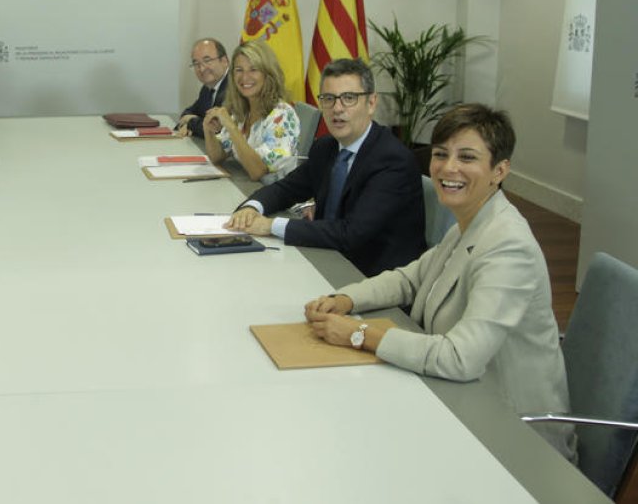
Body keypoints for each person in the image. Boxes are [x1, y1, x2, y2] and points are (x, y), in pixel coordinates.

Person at [302, 104, 576, 461]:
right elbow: (409, 279)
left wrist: (359, 334)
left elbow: (460, 358)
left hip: (513, 441)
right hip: (457, 400)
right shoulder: (469, 221)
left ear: (499, 170)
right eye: (441, 154)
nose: (449, 168)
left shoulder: (509, 246)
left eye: (467, 157)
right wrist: (343, 299)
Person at [225, 58, 424, 276]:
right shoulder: (326, 147)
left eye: (349, 98)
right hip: (326, 259)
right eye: (329, 99)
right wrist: (252, 208)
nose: (337, 108)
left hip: (372, 277)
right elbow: (287, 189)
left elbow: (351, 233)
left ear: (371, 103)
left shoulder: (392, 160)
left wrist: (270, 226)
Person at [202, 39, 300, 180]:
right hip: (246, 189)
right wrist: (208, 131)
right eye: (239, 70)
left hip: (276, 195)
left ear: (268, 73)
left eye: (253, 69)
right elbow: (218, 156)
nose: (245, 77)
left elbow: (258, 172)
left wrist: (231, 127)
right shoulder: (242, 110)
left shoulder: (282, 115)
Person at [174, 37, 229, 138]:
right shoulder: (207, 88)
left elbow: (215, 129)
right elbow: (189, 112)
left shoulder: (232, 87)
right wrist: (190, 122)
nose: (202, 68)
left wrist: (190, 122)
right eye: (196, 63)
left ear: (224, 61)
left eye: (207, 60)